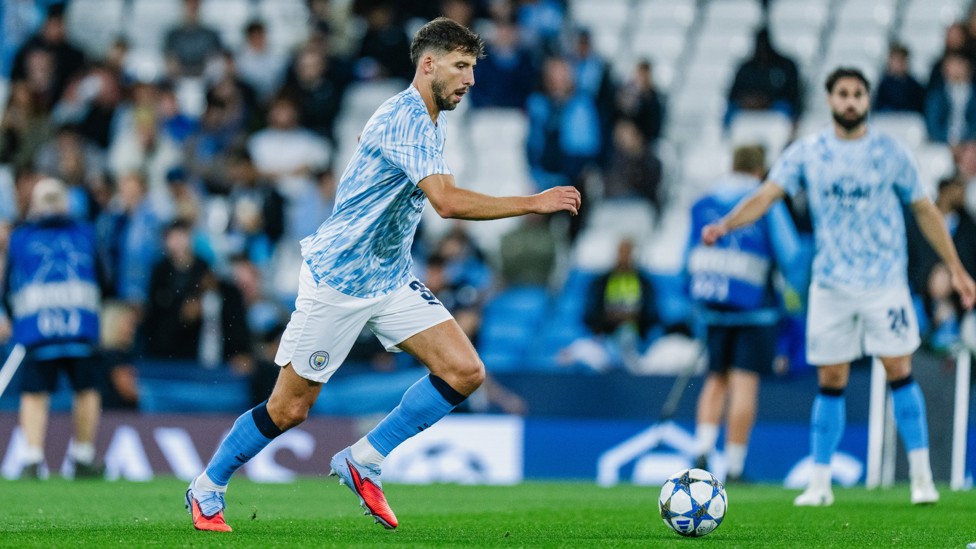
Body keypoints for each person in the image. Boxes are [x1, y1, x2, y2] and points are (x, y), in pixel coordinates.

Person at [184, 17, 580, 532]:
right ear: (429, 64)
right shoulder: (407, 119)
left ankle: (364, 458)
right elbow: (447, 202)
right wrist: (534, 202)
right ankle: (207, 486)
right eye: (462, 66)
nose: (471, 79)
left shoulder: (430, 120)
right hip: (339, 281)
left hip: (388, 278)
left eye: (474, 68)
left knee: (465, 371)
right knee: (289, 409)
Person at [702, 67, 976, 507]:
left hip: (884, 282)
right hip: (830, 284)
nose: (850, 101)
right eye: (843, 94)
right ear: (830, 100)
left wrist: (957, 268)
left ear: (867, 100)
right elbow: (766, 195)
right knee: (831, 379)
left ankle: (922, 478)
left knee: (899, 371)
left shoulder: (891, 152)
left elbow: (925, 211)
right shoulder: (809, 152)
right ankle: (821, 482)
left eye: (858, 94)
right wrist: (726, 224)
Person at [686, 145, 807, 482]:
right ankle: (735, 467)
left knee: (715, 380)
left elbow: (688, 257)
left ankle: (702, 451)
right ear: (760, 170)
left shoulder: (703, 202)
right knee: (744, 383)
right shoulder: (763, 200)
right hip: (756, 311)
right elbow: (791, 255)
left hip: (713, 309)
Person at [0, 178, 105, 479]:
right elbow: (105, 278)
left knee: (35, 393)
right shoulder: (85, 234)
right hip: (80, 327)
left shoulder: (21, 238)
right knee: (86, 390)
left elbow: (8, 285)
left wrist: (13, 316)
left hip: (36, 329)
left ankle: (33, 459)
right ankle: (83, 457)